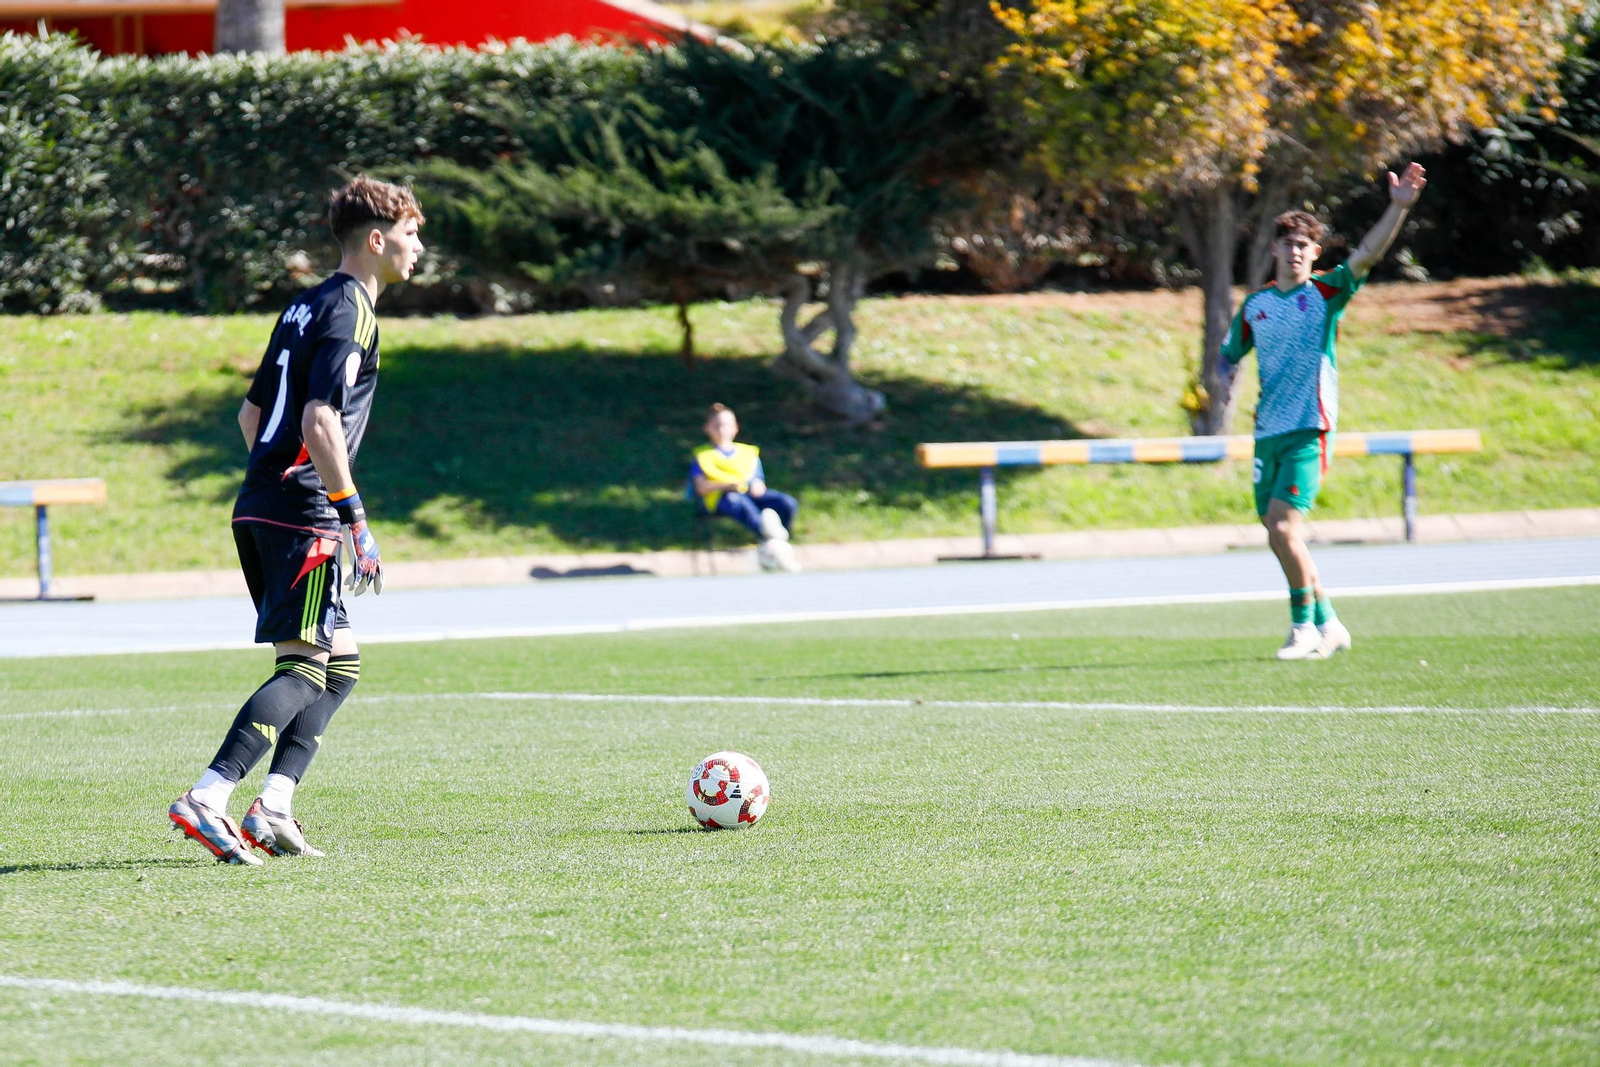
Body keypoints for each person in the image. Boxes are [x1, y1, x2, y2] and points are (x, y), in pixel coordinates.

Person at [168, 176, 424, 864]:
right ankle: (209, 793)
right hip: (302, 514)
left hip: (262, 505)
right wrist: (351, 516)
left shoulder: (303, 306)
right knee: (308, 665)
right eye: (411, 233)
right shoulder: (353, 311)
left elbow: (251, 416)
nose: (418, 247)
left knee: (339, 664)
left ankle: (273, 805)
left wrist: (278, 485)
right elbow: (318, 419)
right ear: (377, 238)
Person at [1220, 162, 1428, 660]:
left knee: (1285, 527)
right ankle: (1329, 622)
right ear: (1274, 249)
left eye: (1303, 246)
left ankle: (1302, 630)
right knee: (1278, 534)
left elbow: (1368, 253)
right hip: (1267, 432)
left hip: (1309, 428)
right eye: (1287, 243)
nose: (1294, 251)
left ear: (1315, 255)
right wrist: (1223, 381)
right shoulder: (1255, 306)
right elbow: (1228, 355)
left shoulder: (1326, 293)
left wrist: (1397, 207)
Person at [689, 403, 800, 572]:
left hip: (750, 495)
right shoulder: (703, 455)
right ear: (707, 428)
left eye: (725, 425)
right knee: (737, 502)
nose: (721, 429)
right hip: (721, 499)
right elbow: (700, 487)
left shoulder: (748, 452)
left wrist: (757, 484)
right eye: (716, 425)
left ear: (735, 428)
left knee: (785, 502)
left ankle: (776, 542)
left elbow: (757, 478)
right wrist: (727, 486)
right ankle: (767, 534)